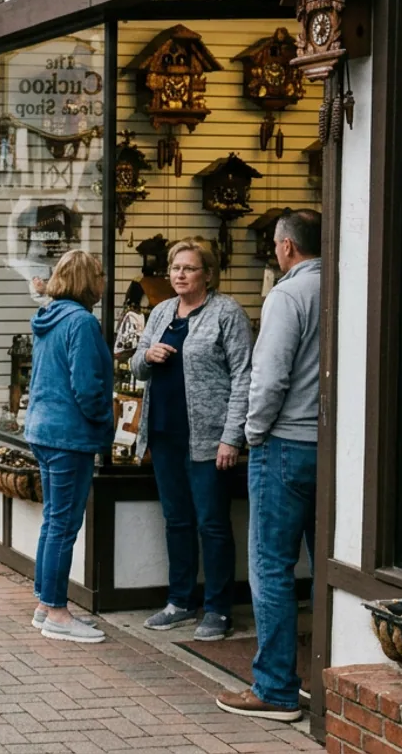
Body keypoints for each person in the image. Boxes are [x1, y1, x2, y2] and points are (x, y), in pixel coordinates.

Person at [218, 209, 323, 723]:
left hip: (283, 444)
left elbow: (270, 376)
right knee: (323, 565)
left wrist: (251, 434)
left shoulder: (288, 294)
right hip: (329, 445)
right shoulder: (344, 285)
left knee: (270, 569)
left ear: (285, 247)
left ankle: (277, 688)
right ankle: (332, 681)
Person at [132, 239, 252, 642]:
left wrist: (231, 437)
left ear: (207, 274)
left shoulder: (226, 313)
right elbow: (135, 363)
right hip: (165, 435)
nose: (179, 275)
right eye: (175, 268)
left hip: (208, 438)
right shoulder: (162, 311)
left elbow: (244, 377)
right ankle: (179, 601)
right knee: (177, 521)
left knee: (212, 523)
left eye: (189, 268)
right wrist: (147, 357)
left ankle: (218, 609)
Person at [24, 249, 113, 643]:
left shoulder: (50, 317)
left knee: (53, 522)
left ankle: (46, 604)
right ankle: (57, 612)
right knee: (63, 524)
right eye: (99, 274)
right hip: (69, 436)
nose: (104, 281)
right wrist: (105, 422)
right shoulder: (81, 322)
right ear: (88, 281)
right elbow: (88, 387)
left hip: (44, 430)